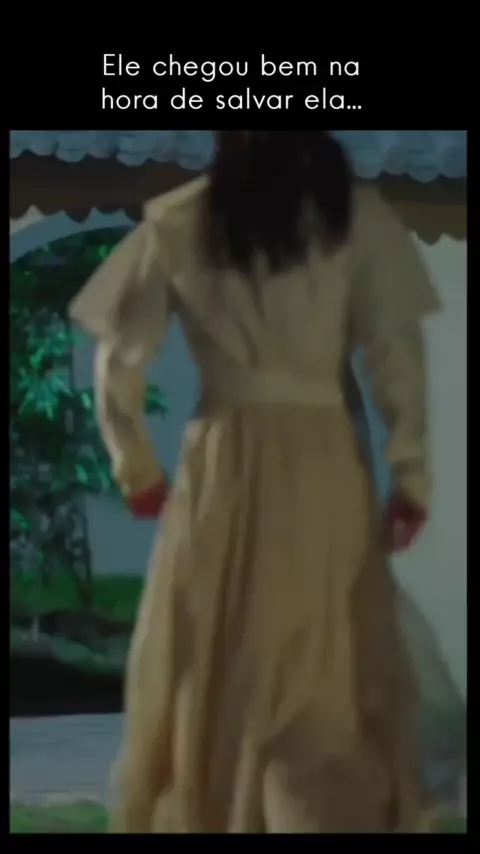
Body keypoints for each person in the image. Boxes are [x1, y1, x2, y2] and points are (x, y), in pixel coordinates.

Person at [69, 131, 441, 833]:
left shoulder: (182, 218)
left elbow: (118, 358)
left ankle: (226, 805)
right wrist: (410, 474)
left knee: (223, 646)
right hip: (321, 463)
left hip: (224, 465)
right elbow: (397, 356)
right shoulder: (354, 216)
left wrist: (137, 468)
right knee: (320, 655)